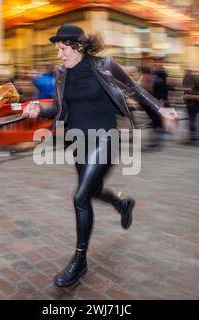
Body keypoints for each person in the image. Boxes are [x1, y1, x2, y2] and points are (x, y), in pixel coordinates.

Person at [23, 24, 178, 287]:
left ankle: (79, 260)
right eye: (57, 50)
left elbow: (134, 89)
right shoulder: (62, 73)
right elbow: (61, 108)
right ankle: (121, 203)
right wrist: (39, 108)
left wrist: (160, 111)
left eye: (62, 49)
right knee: (93, 190)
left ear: (78, 46)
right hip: (77, 141)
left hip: (105, 139)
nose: (59, 55)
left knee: (80, 196)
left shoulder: (105, 65)